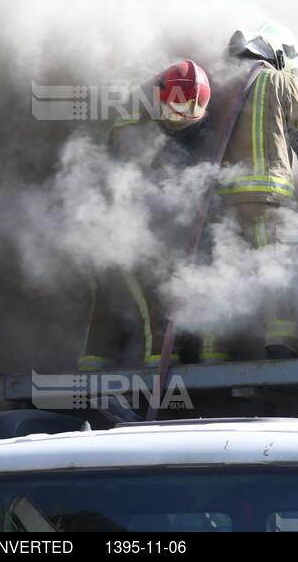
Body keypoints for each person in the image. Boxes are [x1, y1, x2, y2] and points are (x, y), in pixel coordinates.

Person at [198, 20, 298, 363]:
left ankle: (213, 350)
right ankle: (280, 345)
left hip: (224, 204)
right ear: (280, 54)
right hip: (268, 197)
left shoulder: (219, 88)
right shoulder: (281, 81)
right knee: (280, 269)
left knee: (225, 273)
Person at [78, 60, 212, 371]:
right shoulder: (134, 128)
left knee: (109, 304)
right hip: (122, 228)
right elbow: (142, 180)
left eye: (190, 116)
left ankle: (94, 367)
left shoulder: (157, 125)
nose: (181, 121)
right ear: (157, 96)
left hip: (111, 227)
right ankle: (159, 368)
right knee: (156, 296)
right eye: (176, 111)